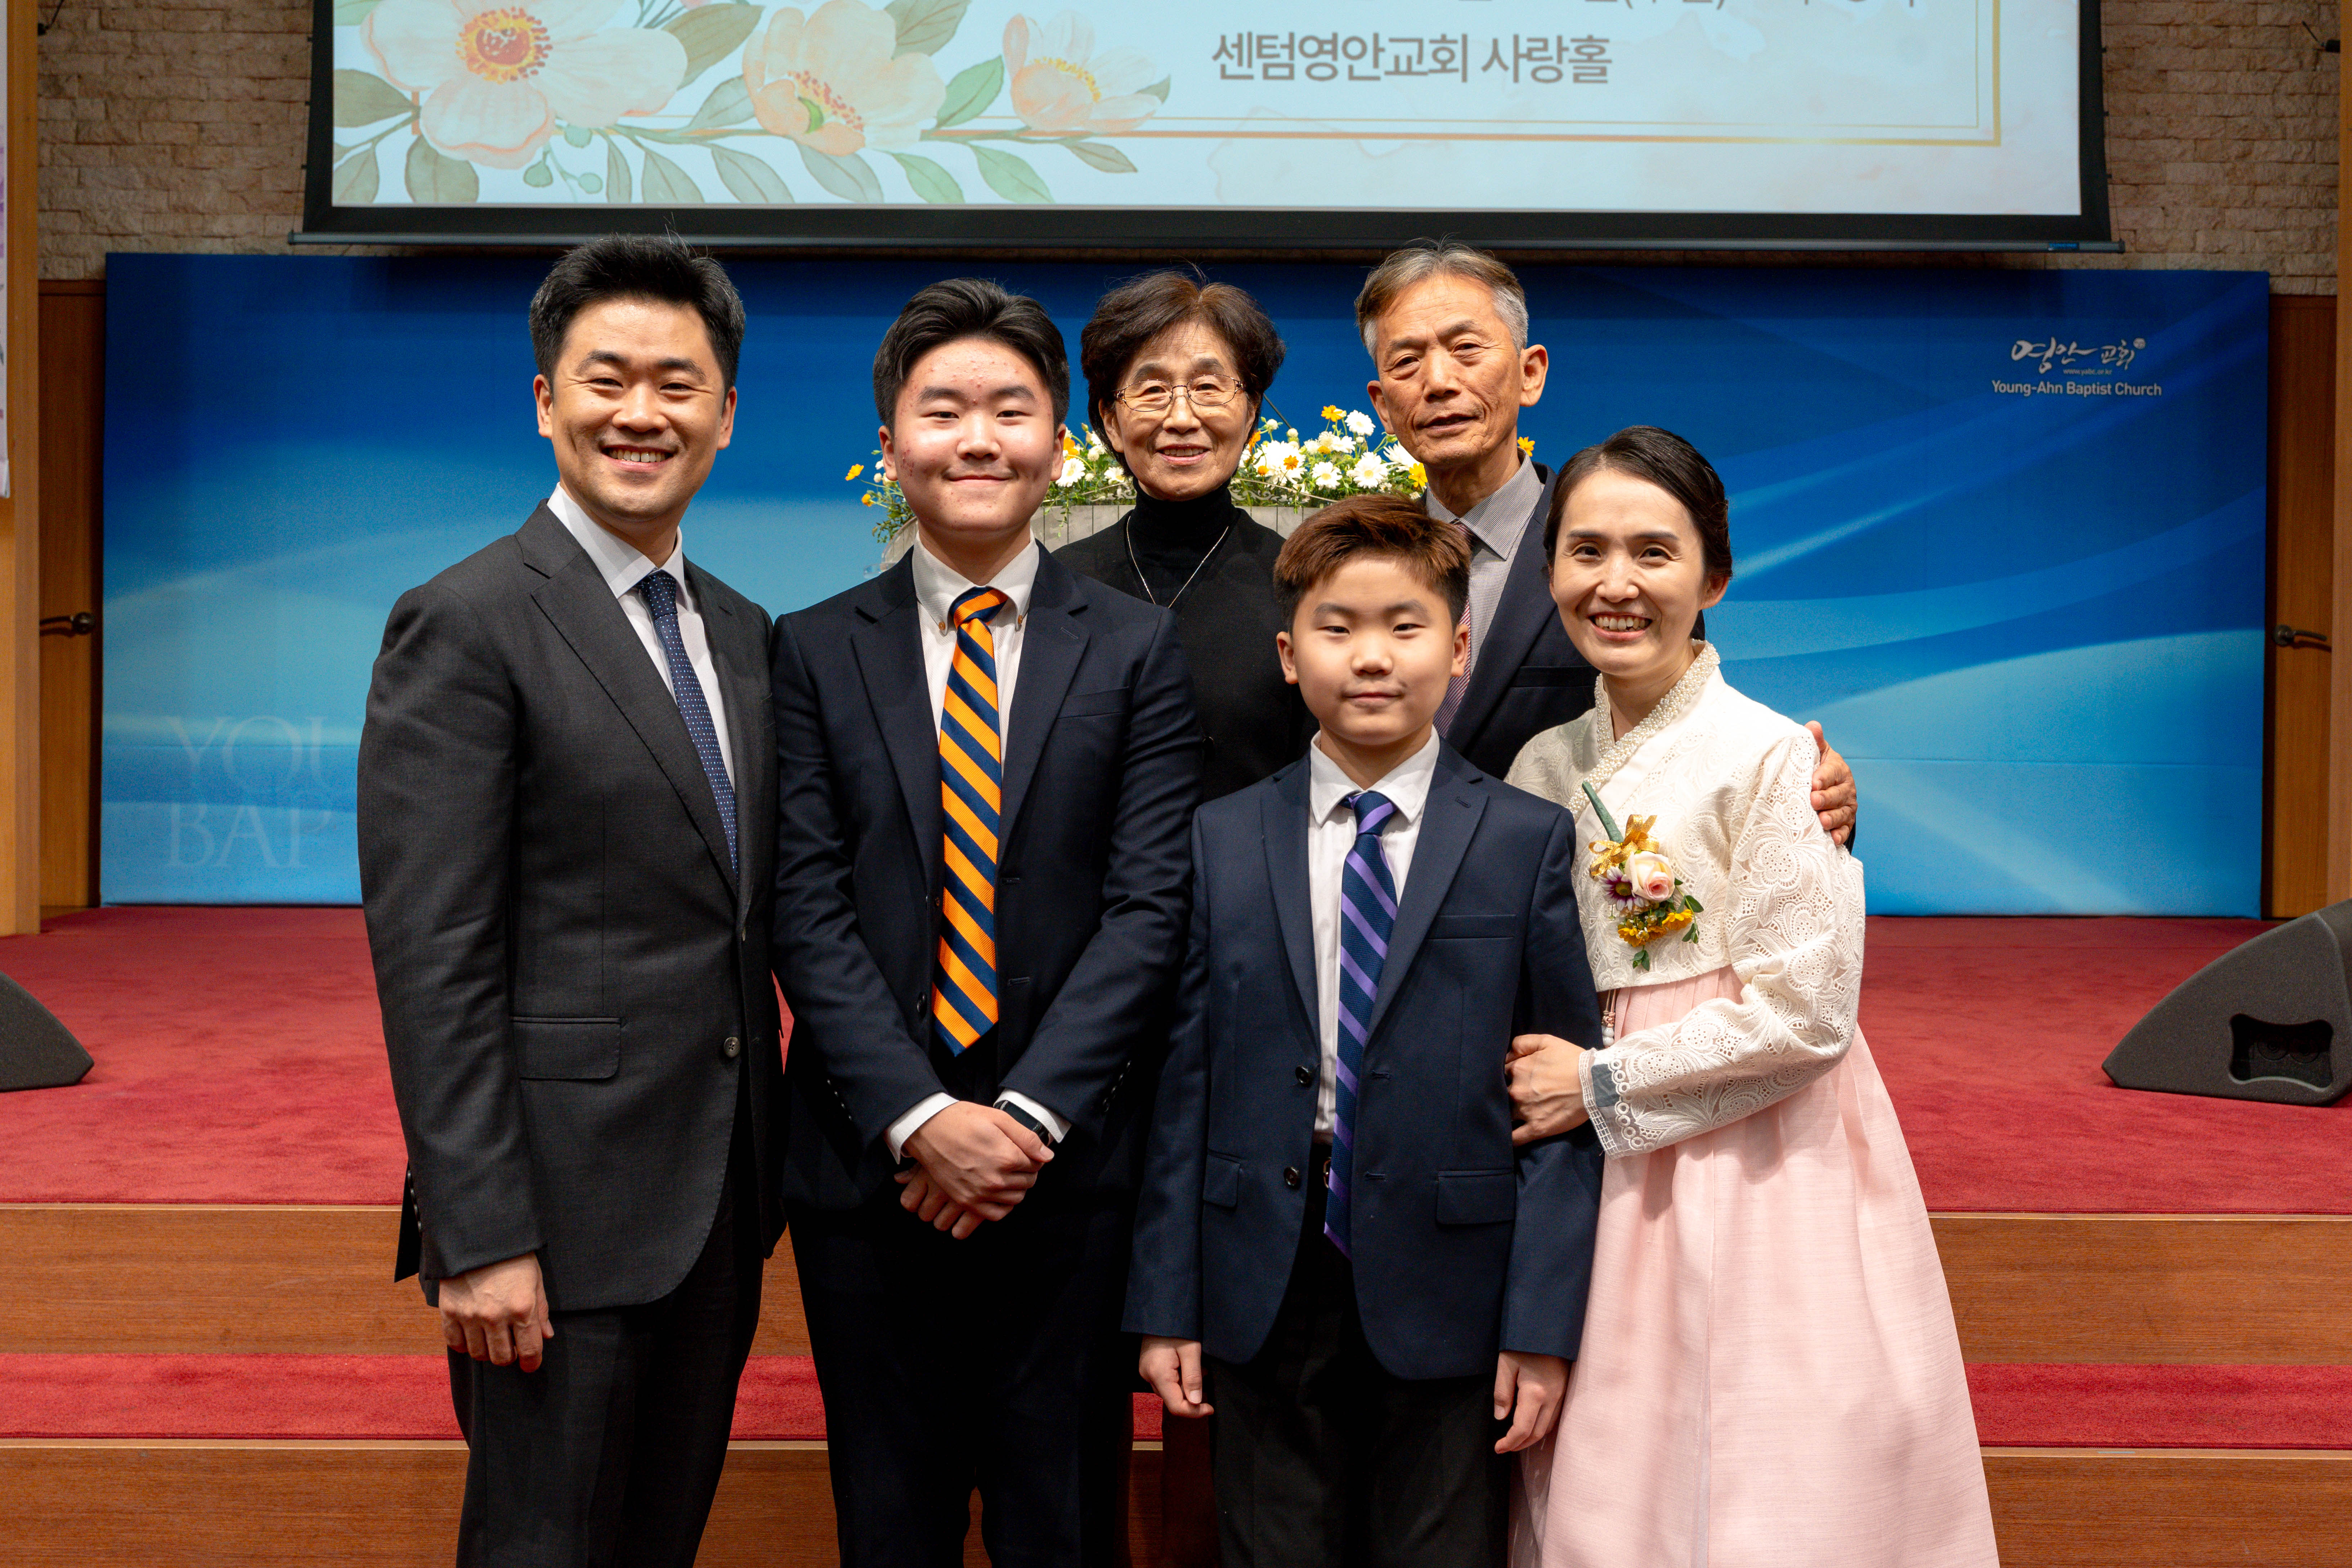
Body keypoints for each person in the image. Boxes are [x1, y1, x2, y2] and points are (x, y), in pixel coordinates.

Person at [357, 234, 783, 1566]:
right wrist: (479, 1233)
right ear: (547, 400)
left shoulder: (743, 631)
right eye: (608, 379)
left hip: (717, 1206)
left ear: (726, 413)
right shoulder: (466, 621)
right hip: (554, 1218)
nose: (641, 412)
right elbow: (434, 955)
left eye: (677, 383)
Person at [1500, 427, 1997, 1567]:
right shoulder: (1540, 763)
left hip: (1750, 1146)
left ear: (1713, 577)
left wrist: (1602, 1080)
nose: (1615, 583)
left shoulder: (1773, 756)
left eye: (1653, 552)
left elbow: (1807, 1013)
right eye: (1586, 551)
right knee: (1613, 1456)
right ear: (1549, 570)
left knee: (1756, 1444)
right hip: (1589, 1159)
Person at [768, 278, 1203, 1566]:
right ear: (890, 443)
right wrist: (921, 1116)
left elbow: (1148, 906)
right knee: (888, 1526)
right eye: (942, 409)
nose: (977, 439)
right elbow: (804, 902)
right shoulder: (809, 649)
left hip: (1066, 1176)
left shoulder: (1135, 648)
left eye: (1010, 410)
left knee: (1060, 1523)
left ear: (1057, 444)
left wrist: (1021, 1122)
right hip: (870, 1173)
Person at [1126, 496, 1608, 1568]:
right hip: (1262, 1267)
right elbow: (1182, 1079)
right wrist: (1166, 1302)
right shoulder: (1220, 836)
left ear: (1459, 647)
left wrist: (1539, 1323)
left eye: (1405, 626)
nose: (1373, 657)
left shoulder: (1525, 838)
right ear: (1288, 655)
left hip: (1454, 1276)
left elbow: (1559, 1104)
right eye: (1337, 628)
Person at [1354, 241, 1861, 842]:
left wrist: (1802, 794)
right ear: (1383, 405)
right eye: (1407, 361)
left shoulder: (1610, 556)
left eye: (1466, 349)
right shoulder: (1360, 562)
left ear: (1530, 373)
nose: (1439, 381)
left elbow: (1687, 732)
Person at [1057, 269, 1316, 801]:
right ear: (1111, 421)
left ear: (1250, 412)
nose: (1181, 417)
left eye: (1208, 387)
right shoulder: (1057, 586)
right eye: (1153, 390)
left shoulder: (1304, 585)